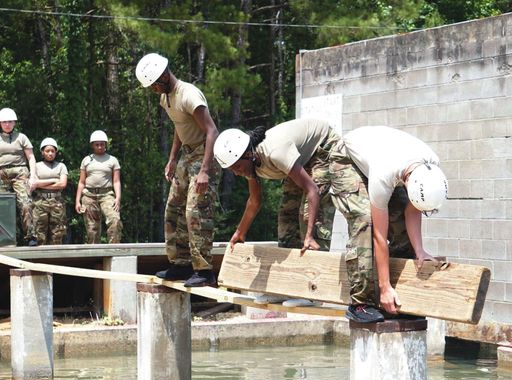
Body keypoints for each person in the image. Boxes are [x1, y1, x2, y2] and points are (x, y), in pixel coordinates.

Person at [213, 118, 340, 306]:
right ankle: (286, 286)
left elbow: (312, 190)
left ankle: (313, 291)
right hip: (300, 158)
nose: (236, 173)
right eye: (231, 170)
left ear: (248, 154)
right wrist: (240, 232)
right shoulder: (249, 164)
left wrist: (309, 235)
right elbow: (254, 201)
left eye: (237, 167)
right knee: (286, 215)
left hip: (323, 147)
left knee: (310, 215)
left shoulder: (275, 153)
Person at [335, 125, 448, 323]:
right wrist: (384, 287)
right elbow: (380, 237)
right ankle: (360, 303)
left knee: (400, 222)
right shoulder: (384, 174)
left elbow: (412, 211)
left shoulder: (431, 168)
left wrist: (420, 250)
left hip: (382, 155)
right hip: (347, 157)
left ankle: (398, 297)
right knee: (365, 221)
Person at [136, 52, 221, 287]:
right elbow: (179, 126)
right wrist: (172, 158)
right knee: (173, 209)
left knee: (196, 211)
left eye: (153, 85)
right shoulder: (166, 98)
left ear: (163, 76)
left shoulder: (188, 94)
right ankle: (180, 264)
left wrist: (204, 170)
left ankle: (204, 270)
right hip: (187, 155)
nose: (152, 90)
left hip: (205, 154)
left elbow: (212, 131)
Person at [75, 130, 123, 244]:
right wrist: (77, 201)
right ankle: (94, 253)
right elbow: (81, 182)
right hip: (89, 195)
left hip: (107, 194)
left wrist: (118, 198)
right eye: (97, 144)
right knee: (92, 228)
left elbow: (116, 181)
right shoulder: (86, 160)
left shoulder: (112, 160)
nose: (100, 147)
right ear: (92, 145)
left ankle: (113, 248)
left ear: (106, 144)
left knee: (114, 219)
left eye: (102, 144)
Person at [0, 107, 38, 246]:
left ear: (14, 122)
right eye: (4, 122)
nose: (7, 124)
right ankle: (6, 239)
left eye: (10, 121)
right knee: (3, 207)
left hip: (20, 173)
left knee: (25, 203)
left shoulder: (21, 137)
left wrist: (33, 176)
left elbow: (31, 157)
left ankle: (30, 236)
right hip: (2, 174)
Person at [32, 138, 68, 245]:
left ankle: (56, 259)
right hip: (40, 201)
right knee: (39, 231)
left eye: (53, 151)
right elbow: (33, 184)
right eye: (47, 151)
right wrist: (53, 180)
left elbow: (62, 184)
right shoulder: (36, 166)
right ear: (42, 152)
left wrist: (40, 183)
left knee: (57, 232)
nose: (50, 153)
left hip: (57, 201)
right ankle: (38, 259)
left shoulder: (61, 166)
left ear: (56, 152)